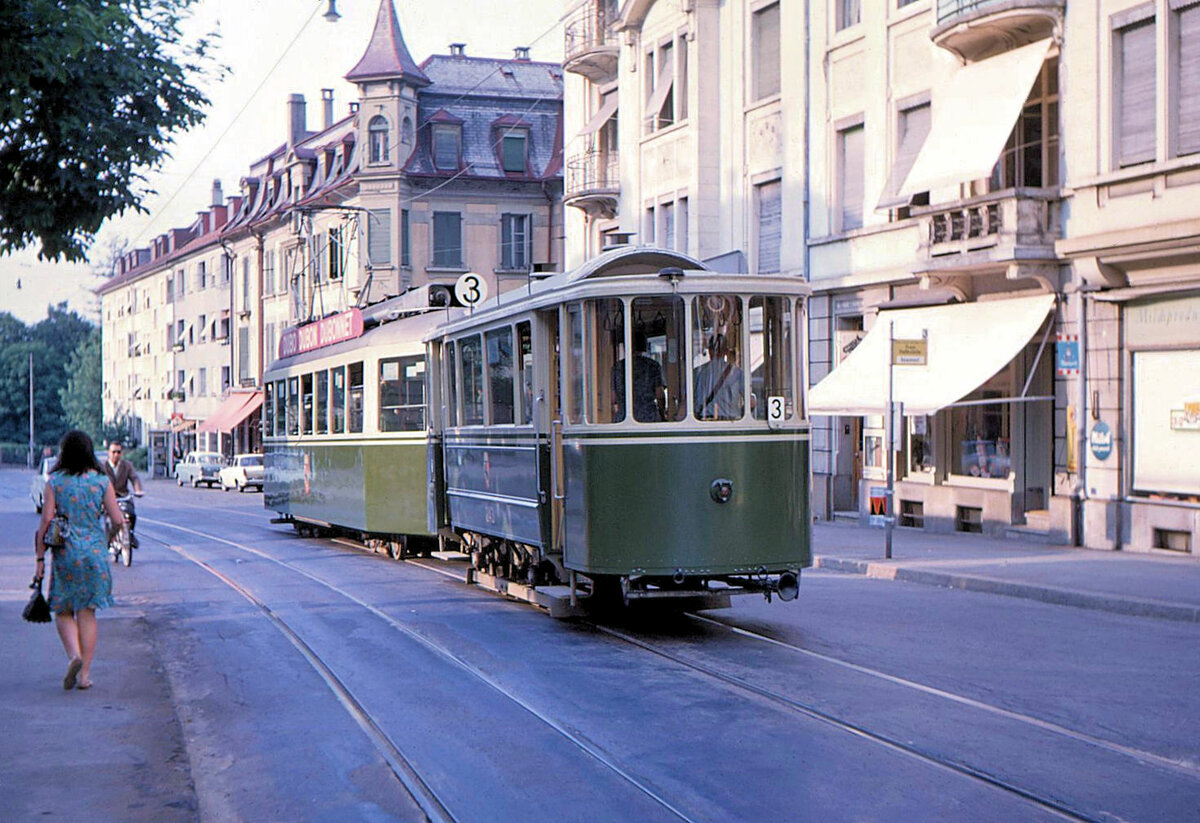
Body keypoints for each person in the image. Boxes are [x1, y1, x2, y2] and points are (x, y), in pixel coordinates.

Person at [34, 430, 124, 691]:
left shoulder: (55, 482)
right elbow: (118, 520)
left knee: (63, 610)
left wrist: (40, 559)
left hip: (65, 554)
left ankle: (74, 654)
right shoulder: (100, 481)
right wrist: (107, 539)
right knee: (87, 611)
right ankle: (84, 674)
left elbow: (46, 522)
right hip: (95, 553)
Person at [612, 331, 666, 422]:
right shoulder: (652, 365)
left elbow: (613, 398)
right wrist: (662, 414)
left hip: (623, 419)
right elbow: (659, 394)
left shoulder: (617, 367)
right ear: (644, 345)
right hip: (648, 417)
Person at [694, 333, 745, 420]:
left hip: (704, 422)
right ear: (725, 351)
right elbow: (751, 403)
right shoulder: (737, 372)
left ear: (709, 350)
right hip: (732, 422)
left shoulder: (698, 372)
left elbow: (689, 401)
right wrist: (741, 412)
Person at [103, 440, 143, 548]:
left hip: (123, 496)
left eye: (119, 452)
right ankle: (107, 541)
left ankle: (130, 535)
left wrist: (138, 490)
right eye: (114, 452)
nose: (116, 455)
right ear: (109, 452)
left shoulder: (127, 465)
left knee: (132, 514)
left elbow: (134, 478)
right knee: (108, 520)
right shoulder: (102, 466)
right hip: (107, 498)